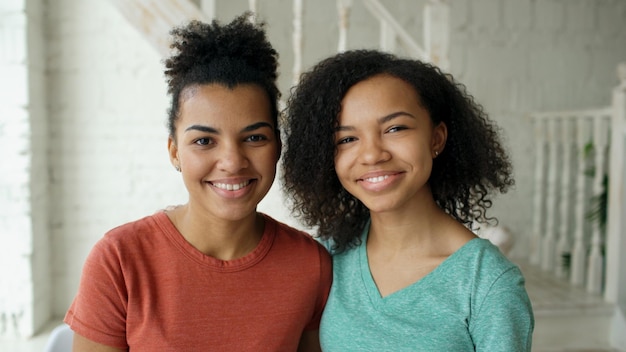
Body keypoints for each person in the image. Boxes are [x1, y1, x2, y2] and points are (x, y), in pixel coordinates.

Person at [64, 13, 331, 352]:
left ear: (278, 146)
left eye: (254, 137)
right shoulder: (119, 260)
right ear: (174, 152)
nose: (233, 161)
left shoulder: (311, 264)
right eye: (204, 141)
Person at [281, 50, 534, 351]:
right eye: (347, 139)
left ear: (436, 139)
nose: (373, 154)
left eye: (394, 128)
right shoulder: (327, 257)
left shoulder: (487, 283)